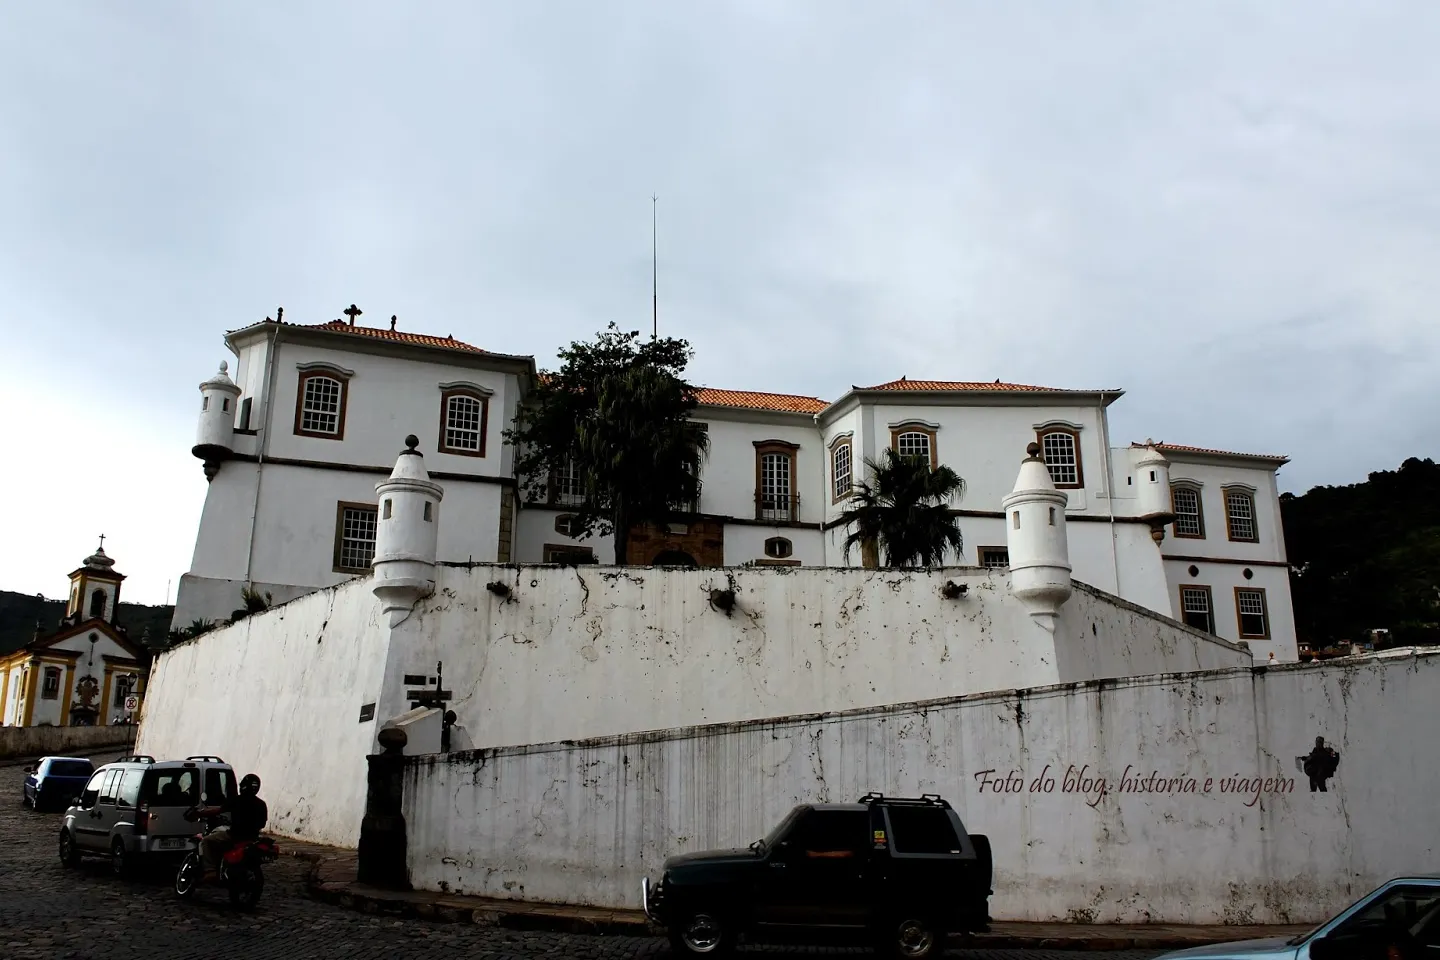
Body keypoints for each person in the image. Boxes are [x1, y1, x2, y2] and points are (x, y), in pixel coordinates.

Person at [195, 774, 268, 879]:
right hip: (252, 838)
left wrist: (200, 813)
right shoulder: (261, 804)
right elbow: (263, 824)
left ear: (243, 786)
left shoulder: (236, 800)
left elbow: (218, 810)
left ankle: (210, 871)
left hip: (234, 836)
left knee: (206, 841)